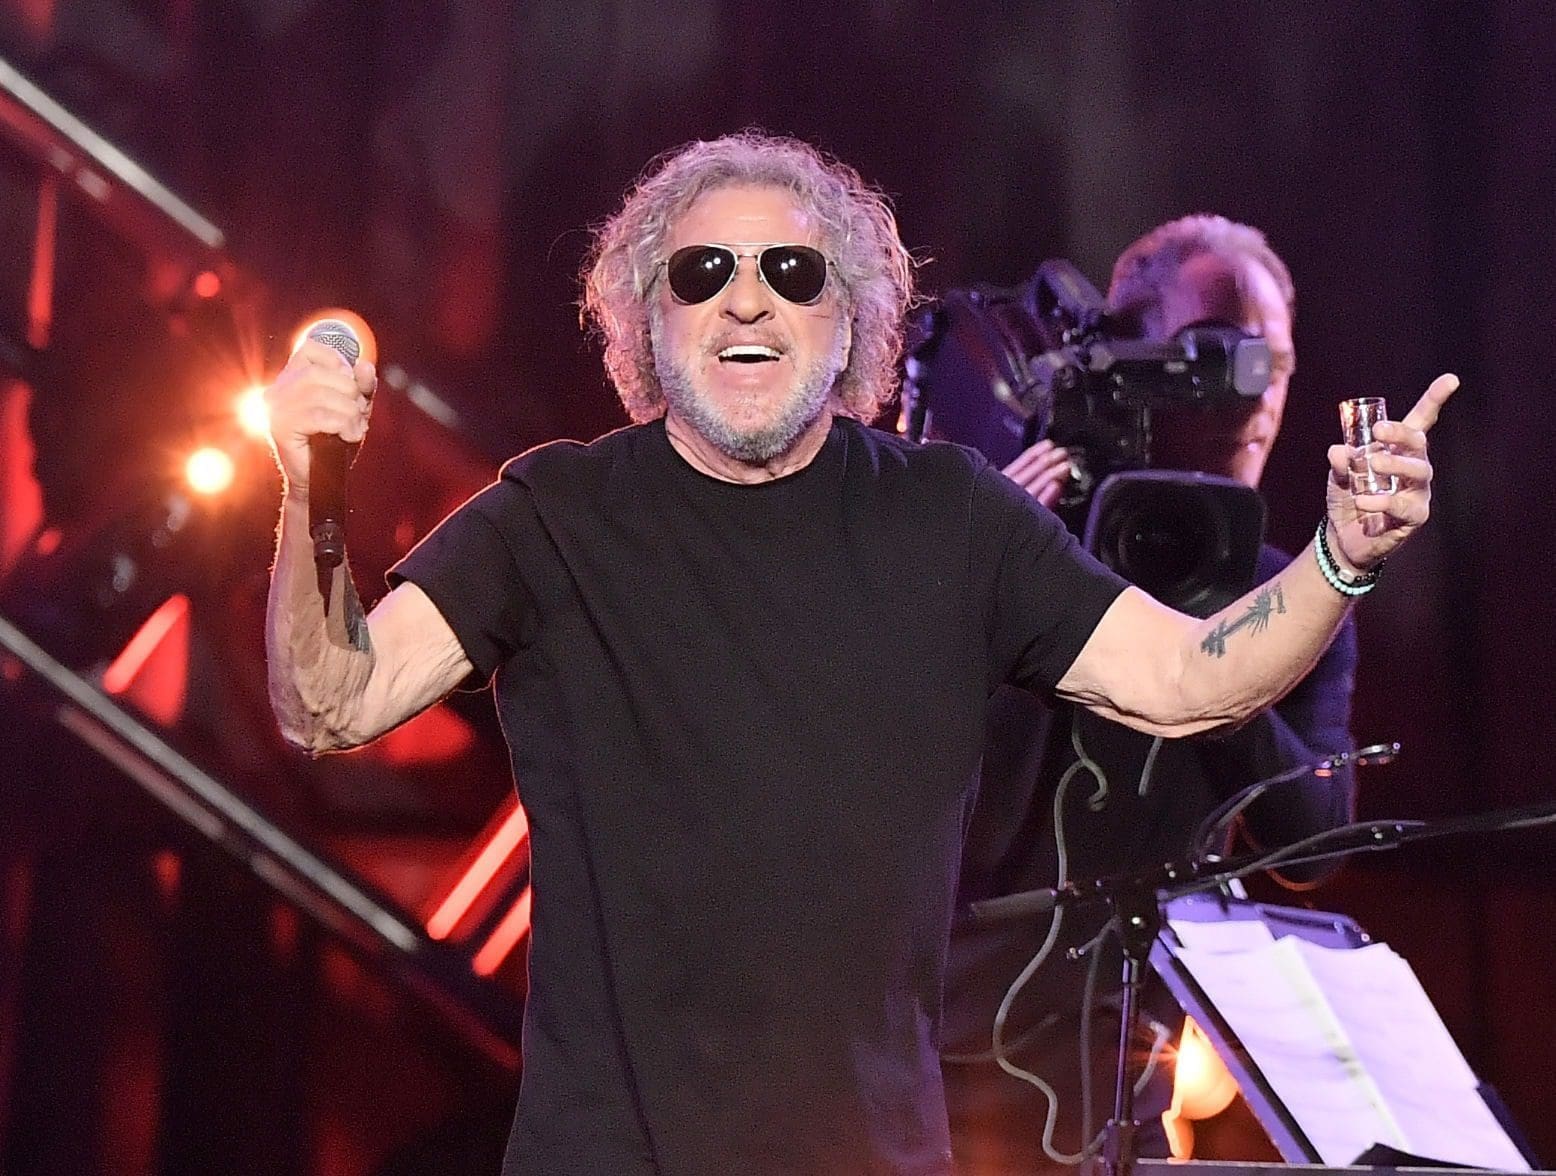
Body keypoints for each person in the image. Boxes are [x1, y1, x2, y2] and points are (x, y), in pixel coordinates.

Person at [262, 133, 1453, 1176]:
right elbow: (331, 700)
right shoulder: (551, 517)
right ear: (646, 317)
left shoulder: (953, 517)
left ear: (850, 319)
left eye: (791, 273)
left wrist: (1338, 558)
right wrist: (310, 484)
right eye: (701, 272)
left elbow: (1191, 683)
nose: (745, 303)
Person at [940, 216, 1360, 1174]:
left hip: (1121, 1087)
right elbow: (959, 821)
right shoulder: (1028, 547)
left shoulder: (1289, 594)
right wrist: (993, 590)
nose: (1256, 392)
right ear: (1129, 362)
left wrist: (1223, 651)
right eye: (1216, 355)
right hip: (940, 1069)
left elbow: (1318, 842)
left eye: (1277, 363)